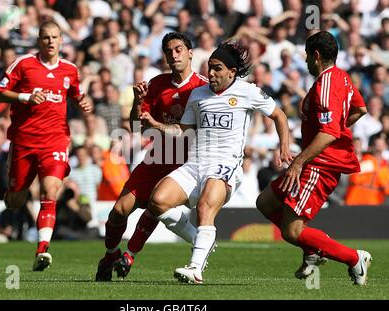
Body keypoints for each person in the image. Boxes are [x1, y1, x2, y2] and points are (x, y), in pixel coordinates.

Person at [145, 39, 293, 284]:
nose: (210, 73)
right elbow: (183, 130)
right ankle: (201, 239)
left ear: (231, 72)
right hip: (195, 164)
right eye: (209, 68)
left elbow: (279, 115)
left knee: (205, 207)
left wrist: (284, 146)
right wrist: (156, 125)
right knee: (158, 201)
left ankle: (195, 267)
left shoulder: (248, 91)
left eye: (216, 68)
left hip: (226, 165)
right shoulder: (198, 94)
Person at [255, 31, 371, 286]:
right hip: (313, 160)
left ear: (315, 55)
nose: (306, 61)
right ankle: (311, 248)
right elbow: (360, 109)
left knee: (292, 231)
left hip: (320, 165)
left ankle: (354, 258)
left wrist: (300, 161)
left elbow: (329, 133)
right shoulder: (342, 78)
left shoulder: (326, 84)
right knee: (265, 202)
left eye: (307, 56)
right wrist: (336, 131)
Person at [95, 32, 208, 281]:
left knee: (157, 207)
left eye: (178, 49)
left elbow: (193, 131)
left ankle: (131, 254)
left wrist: (156, 124)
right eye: (169, 51)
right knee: (118, 211)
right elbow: (138, 128)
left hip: (184, 163)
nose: (173, 55)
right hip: (156, 158)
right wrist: (138, 104)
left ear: (190, 53)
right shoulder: (157, 84)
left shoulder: (203, 88)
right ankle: (111, 254)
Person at [0, 21, 92, 271]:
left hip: (55, 139)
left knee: (50, 190)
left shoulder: (70, 69)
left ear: (61, 41)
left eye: (55, 37)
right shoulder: (24, 64)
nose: (50, 41)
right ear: (39, 40)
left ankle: (42, 250)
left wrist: (83, 103)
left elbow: (76, 92)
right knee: (15, 200)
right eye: (45, 37)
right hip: (24, 141)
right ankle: (13, 190)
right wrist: (25, 97)